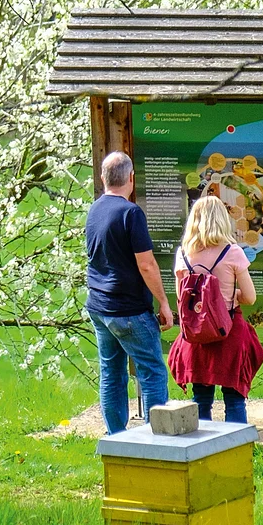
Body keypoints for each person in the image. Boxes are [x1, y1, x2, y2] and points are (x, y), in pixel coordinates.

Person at [85, 150, 172, 434]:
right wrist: (163, 302)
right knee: (152, 371)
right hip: (130, 311)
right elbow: (146, 264)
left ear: (103, 178)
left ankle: (116, 438)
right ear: (132, 178)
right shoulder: (131, 213)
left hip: (99, 307)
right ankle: (157, 440)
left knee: (111, 373)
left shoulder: (95, 209)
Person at [167, 194, 263, 422]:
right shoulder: (232, 253)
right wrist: (227, 296)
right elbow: (250, 297)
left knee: (201, 398)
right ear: (223, 220)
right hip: (228, 333)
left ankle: (203, 453)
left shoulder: (183, 254)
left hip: (196, 337)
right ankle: (236, 450)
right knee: (234, 398)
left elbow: (181, 298)